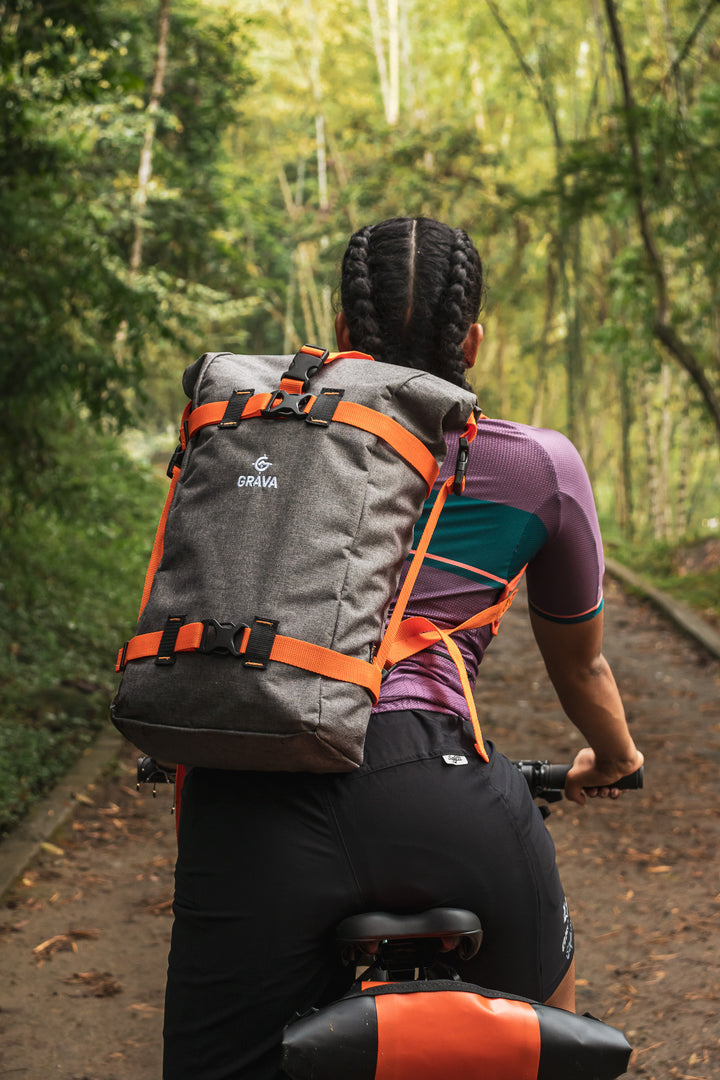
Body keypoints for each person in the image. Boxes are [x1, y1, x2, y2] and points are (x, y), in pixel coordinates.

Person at [162, 216, 643, 1080]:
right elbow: (582, 665)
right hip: (442, 796)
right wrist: (613, 757)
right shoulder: (538, 464)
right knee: (550, 1043)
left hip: (250, 807)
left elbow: (192, 595)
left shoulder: (254, 438)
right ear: (473, 341)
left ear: (344, 332)